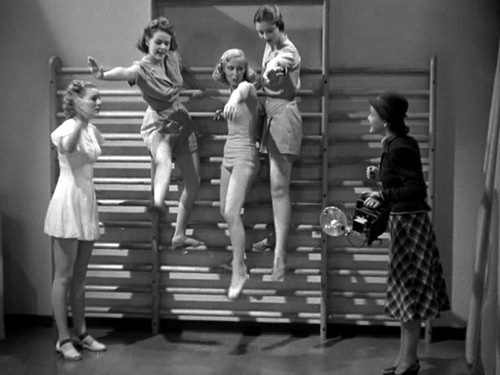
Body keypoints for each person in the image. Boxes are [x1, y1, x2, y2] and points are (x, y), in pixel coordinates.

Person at [88, 16, 204, 249]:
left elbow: (182, 72)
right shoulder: (141, 69)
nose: (163, 47)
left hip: (180, 119)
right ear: (147, 41)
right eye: (158, 42)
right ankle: (158, 202)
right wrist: (103, 75)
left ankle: (179, 235)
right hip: (158, 123)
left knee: (194, 182)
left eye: (167, 43)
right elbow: (125, 72)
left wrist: (194, 88)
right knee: (163, 158)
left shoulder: (172, 57)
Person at [364, 91, 450, 375]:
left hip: (410, 226)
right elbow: (401, 180)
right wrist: (382, 178)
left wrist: (383, 194)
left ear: (385, 119)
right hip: (405, 225)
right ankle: (406, 360)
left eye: (372, 113)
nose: (368, 117)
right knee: (405, 296)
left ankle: (409, 361)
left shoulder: (400, 146)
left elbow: (415, 188)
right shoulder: (395, 144)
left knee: (408, 295)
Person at [44, 80, 107, 360]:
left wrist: (86, 122)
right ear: (78, 101)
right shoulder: (69, 128)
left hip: (86, 202)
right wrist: (80, 121)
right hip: (67, 203)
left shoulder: (93, 130)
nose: (99, 103)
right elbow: (69, 148)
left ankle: (81, 332)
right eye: (94, 98)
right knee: (64, 276)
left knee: (80, 278)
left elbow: (90, 160)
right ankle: (62, 338)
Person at [251, 4, 302, 281]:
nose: (264, 37)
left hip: (284, 116)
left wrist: (269, 71)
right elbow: (265, 76)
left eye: (269, 31)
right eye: (260, 32)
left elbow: (278, 66)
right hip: (271, 113)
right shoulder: (269, 47)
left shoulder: (288, 51)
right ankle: (274, 239)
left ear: (280, 25)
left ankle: (279, 261)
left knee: (280, 188)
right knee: (273, 188)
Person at [212, 49, 261, 299]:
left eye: (240, 68)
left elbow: (244, 92)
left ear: (245, 70)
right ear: (224, 69)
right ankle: (238, 262)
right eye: (231, 68)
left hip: (245, 154)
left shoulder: (246, 88)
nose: (235, 73)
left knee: (232, 212)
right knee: (225, 210)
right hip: (229, 152)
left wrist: (232, 101)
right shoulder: (232, 92)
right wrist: (226, 110)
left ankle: (239, 268)